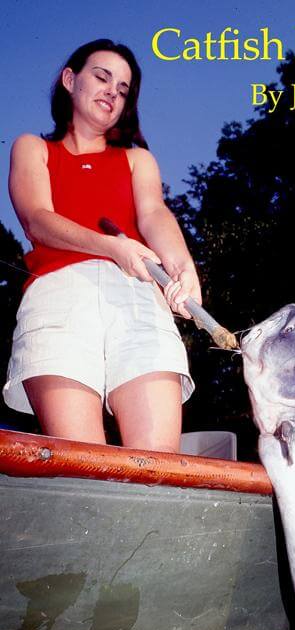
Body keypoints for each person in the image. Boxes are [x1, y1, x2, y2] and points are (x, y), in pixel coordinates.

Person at [2, 39, 201, 453]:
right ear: (70, 80)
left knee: (157, 465)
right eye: (102, 77)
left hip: (137, 295)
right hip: (59, 295)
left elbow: (154, 215)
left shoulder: (136, 160)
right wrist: (112, 247)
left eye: (124, 88)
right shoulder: (33, 148)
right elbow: (37, 219)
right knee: (85, 465)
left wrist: (183, 269)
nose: (113, 91)